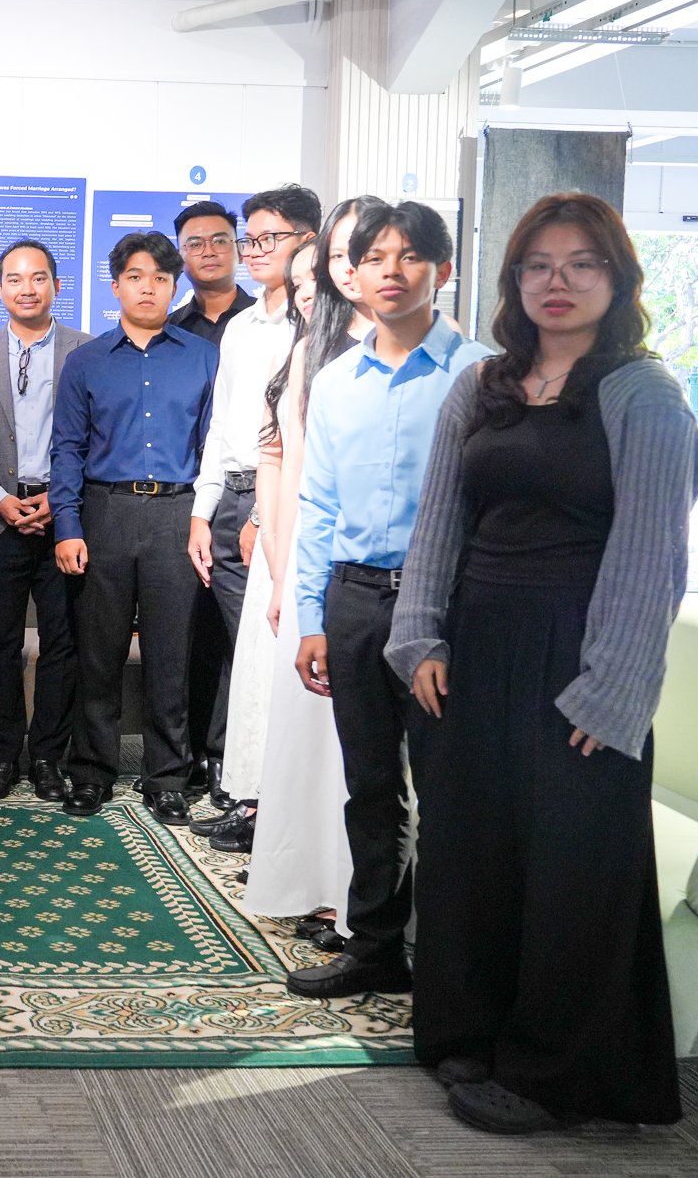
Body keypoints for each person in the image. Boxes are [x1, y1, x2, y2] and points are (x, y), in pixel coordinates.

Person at [388, 194, 698, 1133]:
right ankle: (469, 1031)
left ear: (619, 280)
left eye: (581, 265)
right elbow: (439, 517)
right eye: (537, 265)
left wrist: (612, 690)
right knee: (470, 850)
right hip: (473, 650)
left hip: (581, 650)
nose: (556, 283)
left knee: (572, 867)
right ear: (513, 280)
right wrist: (419, 638)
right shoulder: (480, 385)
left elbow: (653, 555)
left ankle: (558, 1075)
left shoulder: (644, 394)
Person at [289, 200, 489, 1000]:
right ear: (356, 274)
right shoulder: (336, 379)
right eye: (376, 258)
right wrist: (311, 617)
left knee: (448, 790)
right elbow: (319, 504)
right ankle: (375, 949)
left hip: (444, 606)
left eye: (412, 257)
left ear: (443, 269)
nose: (393, 272)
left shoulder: (482, 372)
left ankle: (450, 960)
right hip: (356, 598)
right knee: (370, 785)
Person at [242, 196, 382, 940]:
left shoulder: (434, 350)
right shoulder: (310, 352)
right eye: (339, 255)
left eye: (367, 251)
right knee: (310, 738)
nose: (351, 268)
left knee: (362, 749)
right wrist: (283, 567)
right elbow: (284, 465)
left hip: (384, 579)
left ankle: (359, 895)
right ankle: (318, 883)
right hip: (311, 566)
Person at [51, 232, 218, 820]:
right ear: (116, 284)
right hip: (105, 513)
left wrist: (206, 521)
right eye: (137, 276)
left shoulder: (202, 357)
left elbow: (213, 448)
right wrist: (67, 526)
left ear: (175, 287)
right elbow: (67, 450)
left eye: (161, 278)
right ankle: (92, 770)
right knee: (98, 654)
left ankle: (166, 777)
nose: (149, 287)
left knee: (172, 656)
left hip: (179, 513)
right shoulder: (86, 361)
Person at [186, 184, 320, 829]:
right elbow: (223, 426)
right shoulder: (240, 327)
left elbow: (296, 439)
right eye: (251, 238)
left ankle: (271, 803)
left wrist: (268, 517)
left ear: (308, 243)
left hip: (276, 508)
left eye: (271, 238)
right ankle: (246, 792)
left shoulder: (313, 325)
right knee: (244, 659)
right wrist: (202, 511)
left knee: (271, 652)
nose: (254, 251)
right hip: (231, 499)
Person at [0, 239, 90, 804]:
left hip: (63, 518)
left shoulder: (87, 352)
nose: (27, 288)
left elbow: (97, 441)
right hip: (1, 519)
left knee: (62, 645)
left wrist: (59, 501)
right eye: (14, 279)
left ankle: (46, 757)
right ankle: (2, 758)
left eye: (38, 278)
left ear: (56, 286)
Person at [167, 200, 253, 346]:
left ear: (240, 251)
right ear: (178, 259)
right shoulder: (168, 331)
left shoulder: (268, 318)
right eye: (195, 244)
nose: (208, 252)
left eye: (219, 242)